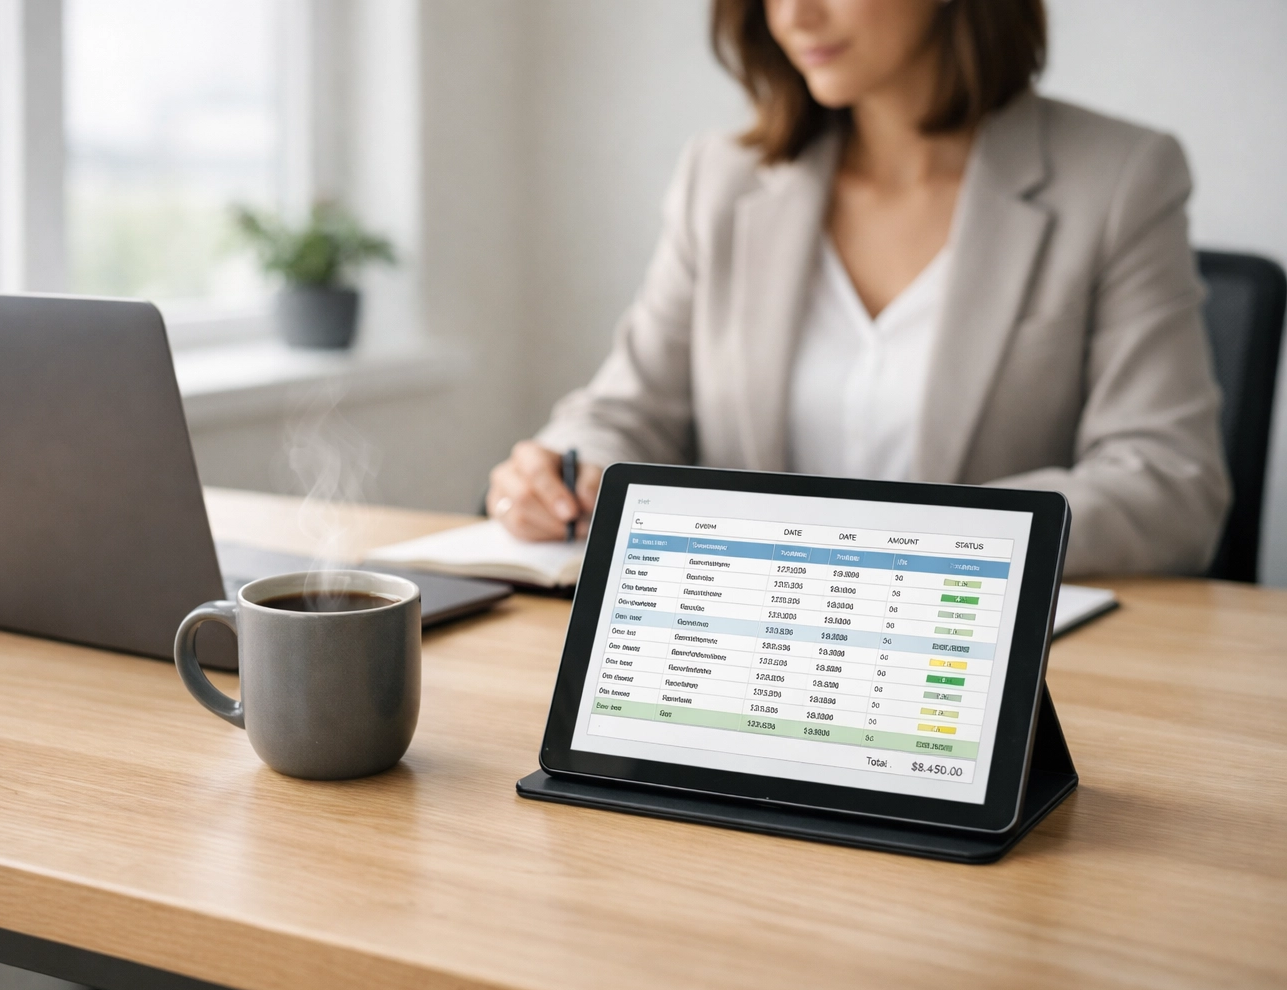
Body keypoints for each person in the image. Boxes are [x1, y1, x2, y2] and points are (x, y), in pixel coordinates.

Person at [486, 0, 1228, 578]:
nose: (793, 16)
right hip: (752, 666)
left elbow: (1169, 485)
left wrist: (899, 546)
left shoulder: (1121, 178)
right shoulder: (723, 178)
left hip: (999, 681)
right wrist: (561, 469)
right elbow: (628, 409)